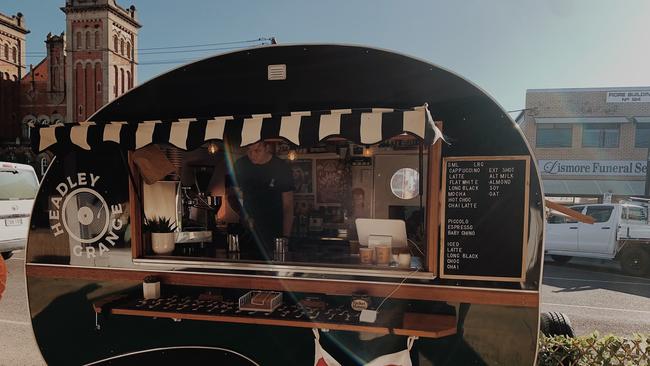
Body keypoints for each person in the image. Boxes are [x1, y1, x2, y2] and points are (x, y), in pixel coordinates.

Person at [229, 141, 294, 254]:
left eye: (257, 151)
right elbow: (233, 196)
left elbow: (288, 205)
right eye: (248, 150)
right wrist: (243, 214)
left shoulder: (281, 167)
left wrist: (286, 238)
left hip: (275, 231)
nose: (252, 155)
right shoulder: (240, 165)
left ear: (267, 148)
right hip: (248, 231)